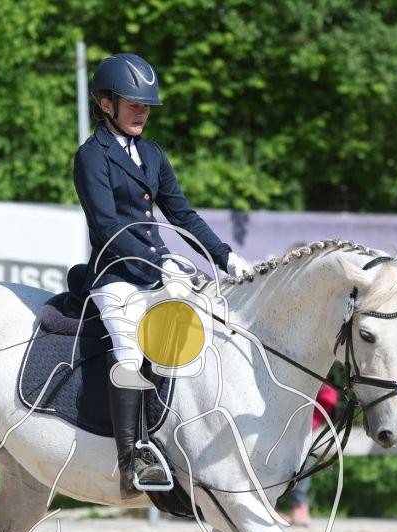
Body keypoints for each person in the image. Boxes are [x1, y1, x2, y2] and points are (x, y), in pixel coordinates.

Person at [71, 52, 252, 497]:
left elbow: (182, 215)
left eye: (146, 106)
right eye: (133, 104)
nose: (142, 112)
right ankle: (131, 458)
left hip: (156, 272)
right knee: (129, 350)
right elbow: (107, 227)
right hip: (115, 275)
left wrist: (227, 258)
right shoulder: (92, 156)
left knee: (206, 329)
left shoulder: (152, 154)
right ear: (106, 104)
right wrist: (161, 263)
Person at [286, 384, 339, 526]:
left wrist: (300, 429)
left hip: (299, 430)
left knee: (304, 454)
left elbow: (328, 399)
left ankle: (300, 507)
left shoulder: (327, 392)